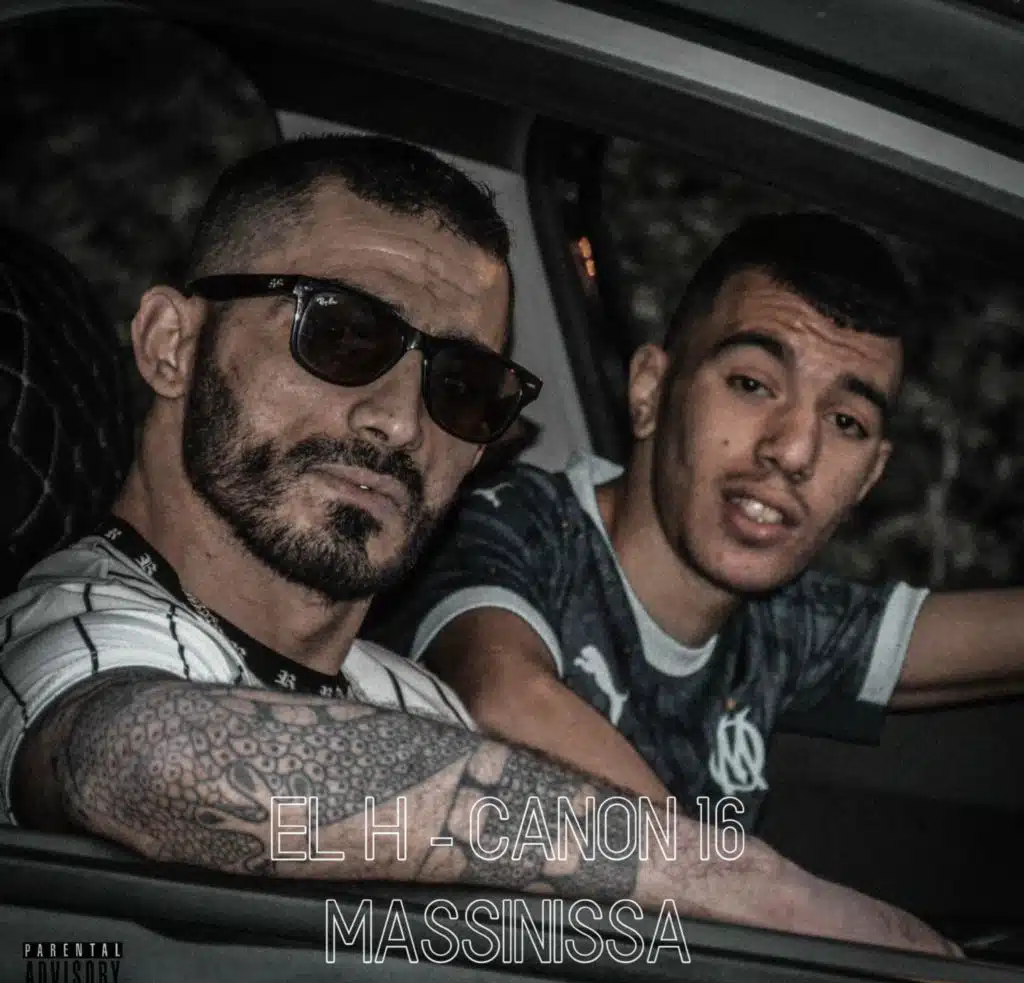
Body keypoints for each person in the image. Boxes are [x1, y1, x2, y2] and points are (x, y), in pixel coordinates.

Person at [0, 139, 957, 956]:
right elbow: (137, 755)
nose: (399, 421)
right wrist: (769, 896)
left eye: (461, 387)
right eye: (341, 335)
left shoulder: (411, 701)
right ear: (171, 342)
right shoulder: (68, 627)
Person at [374, 211, 1024, 818]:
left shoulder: (780, 624)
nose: (795, 450)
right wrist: (749, 889)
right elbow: (501, 696)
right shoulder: (515, 522)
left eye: (846, 422)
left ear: (869, 477)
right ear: (650, 390)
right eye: (752, 385)